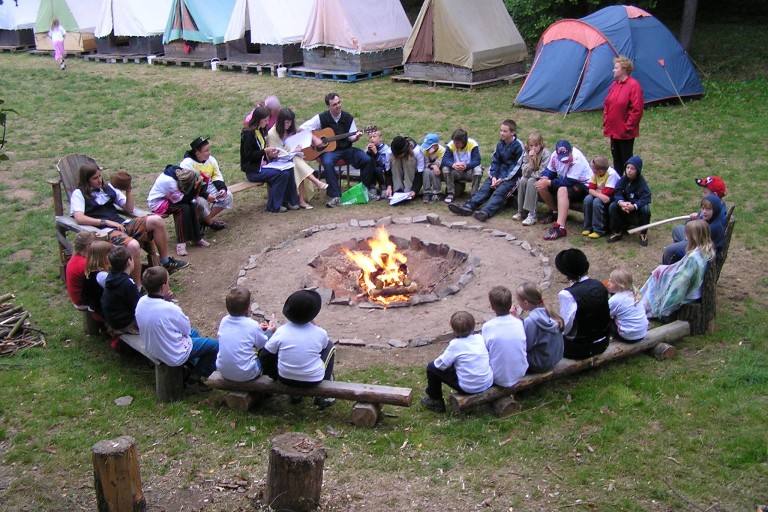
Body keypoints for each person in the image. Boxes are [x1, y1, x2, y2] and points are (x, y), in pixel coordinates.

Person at [70, 163, 188, 285]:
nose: (99, 180)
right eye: (95, 178)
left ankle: (165, 262)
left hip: (121, 224)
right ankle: (137, 286)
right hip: (104, 231)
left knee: (157, 220)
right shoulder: (79, 194)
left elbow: (129, 209)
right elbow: (79, 218)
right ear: (86, 180)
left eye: (100, 176)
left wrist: (128, 190)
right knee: (133, 246)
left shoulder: (107, 188)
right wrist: (105, 222)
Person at [135, 266, 219, 384]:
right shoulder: (169, 308)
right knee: (215, 346)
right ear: (163, 287)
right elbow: (186, 328)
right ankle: (197, 376)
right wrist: (168, 302)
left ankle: (190, 366)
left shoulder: (141, 301)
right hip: (172, 354)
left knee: (195, 333)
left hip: (152, 347)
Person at [261, 290, 336, 408]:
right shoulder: (320, 333)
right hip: (313, 380)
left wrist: (273, 375)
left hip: (285, 378)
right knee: (330, 346)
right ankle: (323, 394)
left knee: (276, 348)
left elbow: (265, 355)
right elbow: (322, 347)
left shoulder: (281, 331)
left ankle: (295, 396)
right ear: (313, 314)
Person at [299, 93, 374, 207]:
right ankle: (335, 195)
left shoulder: (348, 118)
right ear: (328, 107)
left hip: (346, 149)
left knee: (366, 159)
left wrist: (357, 137)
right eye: (334, 104)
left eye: (339, 103)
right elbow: (301, 128)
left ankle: (365, 189)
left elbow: (351, 138)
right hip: (330, 152)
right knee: (328, 162)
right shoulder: (321, 118)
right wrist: (315, 138)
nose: (338, 106)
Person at [448, 120, 525, 222]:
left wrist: (502, 179)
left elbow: (517, 166)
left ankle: (485, 212)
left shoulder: (518, 146)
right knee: (485, 188)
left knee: (500, 192)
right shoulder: (500, 144)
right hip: (497, 175)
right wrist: (493, 176)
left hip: (512, 178)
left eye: (505, 131)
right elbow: (495, 162)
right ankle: (468, 207)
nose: (502, 133)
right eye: (501, 130)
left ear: (512, 132)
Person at [420, 311, 494, 413]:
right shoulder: (480, 338)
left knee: (431, 368)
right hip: (487, 382)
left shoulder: (455, 344)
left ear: (454, 330)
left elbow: (440, 365)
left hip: (469, 387)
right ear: (473, 327)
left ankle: (435, 400)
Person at [640, 220, 714, 319]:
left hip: (690, 295)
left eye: (687, 235)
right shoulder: (706, 250)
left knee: (657, 279)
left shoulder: (693, 258)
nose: (686, 238)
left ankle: (642, 305)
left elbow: (680, 285)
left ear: (693, 237)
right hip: (696, 290)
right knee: (660, 270)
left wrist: (665, 307)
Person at [266, 107, 328, 209]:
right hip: (278, 162)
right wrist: (291, 152)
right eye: (286, 122)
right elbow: (274, 152)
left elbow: (292, 146)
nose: (288, 125)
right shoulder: (272, 133)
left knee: (296, 162)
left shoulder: (290, 131)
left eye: (290, 122)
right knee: (296, 162)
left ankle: (303, 198)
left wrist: (297, 149)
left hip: (291, 158)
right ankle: (315, 184)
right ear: (281, 121)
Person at [240, 106, 299, 213]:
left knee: (288, 169)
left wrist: (271, 153)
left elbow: (262, 152)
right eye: (265, 120)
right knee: (282, 174)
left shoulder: (260, 130)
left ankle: (289, 201)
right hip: (253, 171)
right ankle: (273, 205)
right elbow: (248, 155)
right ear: (258, 119)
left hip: (263, 166)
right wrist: (265, 151)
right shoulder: (249, 134)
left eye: (268, 120)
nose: (267, 122)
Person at [555, 249, 611, 360]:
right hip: (603, 341)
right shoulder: (599, 285)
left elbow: (566, 329)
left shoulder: (567, 295)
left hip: (580, 349)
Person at [535, 139, 593, 240]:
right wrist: (545, 177)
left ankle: (560, 228)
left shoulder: (577, 158)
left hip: (583, 185)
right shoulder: (555, 155)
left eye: (566, 157)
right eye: (561, 158)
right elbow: (550, 170)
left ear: (570, 151)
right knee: (541, 185)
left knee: (562, 189)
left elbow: (569, 181)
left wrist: (549, 182)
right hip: (567, 181)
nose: (564, 160)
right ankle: (554, 213)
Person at [216, 287, 276, 382]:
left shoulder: (224, 320)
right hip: (246, 373)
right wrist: (269, 331)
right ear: (247, 310)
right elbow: (263, 345)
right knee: (266, 352)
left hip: (224, 371)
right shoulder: (252, 325)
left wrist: (256, 330)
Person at [147, 165, 209, 256]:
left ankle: (197, 238)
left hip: (168, 198)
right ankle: (181, 243)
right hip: (158, 203)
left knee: (192, 205)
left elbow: (187, 199)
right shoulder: (170, 182)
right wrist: (195, 188)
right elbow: (183, 199)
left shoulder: (180, 172)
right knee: (182, 209)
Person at [180, 137, 233, 230]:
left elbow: (217, 175)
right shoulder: (187, 164)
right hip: (193, 192)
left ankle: (204, 221)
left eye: (209, 149)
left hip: (207, 187)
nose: (209, 153)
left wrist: (222, 188)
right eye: (206, 151)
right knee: (202, 202)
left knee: (227, 196)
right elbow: (191, 187)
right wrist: (206, 195)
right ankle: (209, 223)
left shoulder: (211, 160)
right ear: (197, 153)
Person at [603, 56, 644, 175]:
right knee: (616, 158)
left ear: (624, 70)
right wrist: (606, 120)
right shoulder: (615, 84)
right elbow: (607, 103)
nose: (613, 70)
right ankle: (618, 184)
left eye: (616, 68)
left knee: (626, 160)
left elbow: (637, 109)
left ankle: (630, 183)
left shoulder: (633, 85)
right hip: (613, 130)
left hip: (625, 132)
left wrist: (628, 127)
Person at [482, 286, 528, 387]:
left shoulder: (487, 327)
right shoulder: (519, 322)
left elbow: (486, 351)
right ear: (510, 304)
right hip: (521, 372)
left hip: (498, 377)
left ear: (492, 306)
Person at [514, 282, 564, 373]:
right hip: (556, 357)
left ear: (525, 303)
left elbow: (526, 347)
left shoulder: (530, 321)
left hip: (540, 364)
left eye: (518, 300)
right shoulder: (549, 311)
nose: (517, 302)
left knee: (513, 350)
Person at [662, 194, 725, 265]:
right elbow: (687, 226)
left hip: (698, 248)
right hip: (693, 239)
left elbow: (693, 235)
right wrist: (692, 219)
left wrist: (693, 222)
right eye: (703, 208)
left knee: (669, 250)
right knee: (677, 229)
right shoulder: (707, 218)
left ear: (715, 210)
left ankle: (668, 270)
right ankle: (679, 259)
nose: (704, 211)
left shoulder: (713, 227)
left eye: (708, 209)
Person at [607, 155, 652, 246]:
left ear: (637, 171)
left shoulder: (641, 183)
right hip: (624, 205)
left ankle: (643, 233)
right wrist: (621, 202)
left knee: (646, 209)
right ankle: (617, 232)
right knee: (613, 206)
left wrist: (634, 206)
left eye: (632, 169)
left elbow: (646, 197)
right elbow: (617, 191)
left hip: (636, 206)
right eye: (627, 167)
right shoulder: (623, 179)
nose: (629, 170)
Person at [101, 246, 140, 336]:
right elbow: (137, 306)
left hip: (112, 320)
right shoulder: (128, 284)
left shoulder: (111, 276)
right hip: (124, 324)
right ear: (129, 262)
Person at [513, 132, 551, 226]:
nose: (533, 148)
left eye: (536, 145)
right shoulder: (527, 152)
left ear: (541, 144)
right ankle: (521, 211)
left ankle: (532, 214)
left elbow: (542, 173)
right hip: (532, 175)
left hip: (543, 179)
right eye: (531, 146)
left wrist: (530, 174)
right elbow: (524, 172)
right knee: (522, 180)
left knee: (531, 181)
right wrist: (530, 161)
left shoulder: (546, 154)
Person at [581, 156, 620, 239]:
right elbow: (590, 189)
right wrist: (598, 193)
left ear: (600, 171)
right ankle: (587, 227)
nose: (591, 170)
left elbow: (608, 192)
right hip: (601, 195)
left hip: (612, 197)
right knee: (588, 199)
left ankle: (599, 230)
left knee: (597, 202)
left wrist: (596, 191)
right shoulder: (595, 173)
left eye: (593, 169)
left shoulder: (611, 174)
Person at [441, 128, 482, 203]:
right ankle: (450, 193)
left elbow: (477, 160)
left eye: (457, 143)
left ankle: (474, 194)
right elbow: (445, 160)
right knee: (445, 169)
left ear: (464, 142)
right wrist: (453, 165)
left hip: (469, 171)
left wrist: (466, 166)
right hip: (456, 171)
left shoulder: (473, 144)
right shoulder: (450, 145)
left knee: (478, 170)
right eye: (454, 142)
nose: (455, 144)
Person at [606, 269, 648, 342]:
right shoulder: (634, 293)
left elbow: (605, 314)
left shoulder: (615, 300)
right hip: (642, 333)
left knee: (603, 319)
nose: (608, 283)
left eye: (612, 282)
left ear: (620, 285)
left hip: (628, 337)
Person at [82, 240, 112, 319]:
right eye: (110, 253)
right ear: (102, 257)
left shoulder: (90, 271)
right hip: (102, 310)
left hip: (95, 306)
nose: (112, 255)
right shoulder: (102, 276)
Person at [65, 231, 96, 310]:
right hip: (81, 301)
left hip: (76, 297)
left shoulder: (75, 257)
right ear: (88, 247)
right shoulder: (85, 264)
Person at [388, 136, 420, 200]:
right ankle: (398, 190)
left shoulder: (417, 151)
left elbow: (420, 172)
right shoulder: (389, 152)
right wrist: (389, 186)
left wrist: (415, 190)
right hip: (397, 167)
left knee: (409, 160)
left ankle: (408, 190)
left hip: (412, 170)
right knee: (395, 161)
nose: (399, 155)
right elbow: (387, 171)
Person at [365, 128, 391, 200]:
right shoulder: (368, 147)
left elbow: (384, 164)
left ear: (380, 138)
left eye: (374, 136)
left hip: (383, 170)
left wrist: (376, 153)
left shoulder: (385, 148)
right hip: (372, 169)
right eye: (370, 137)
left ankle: (383, 187)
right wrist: (368, 152)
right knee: (368, 168)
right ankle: (372, 187)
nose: (372, 139)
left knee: (378, 170)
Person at [420, 133, 445, 203]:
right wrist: (433, 166)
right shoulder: (424, 150)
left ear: (436, 145)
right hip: (430, 168)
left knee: (435, 172)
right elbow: (425, 163)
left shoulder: (442, 151)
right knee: (426, 171)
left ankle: (437, 192)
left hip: (440, 170)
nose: (427, 148)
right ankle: (426, 192)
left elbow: (440, 164)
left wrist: (432, 156)